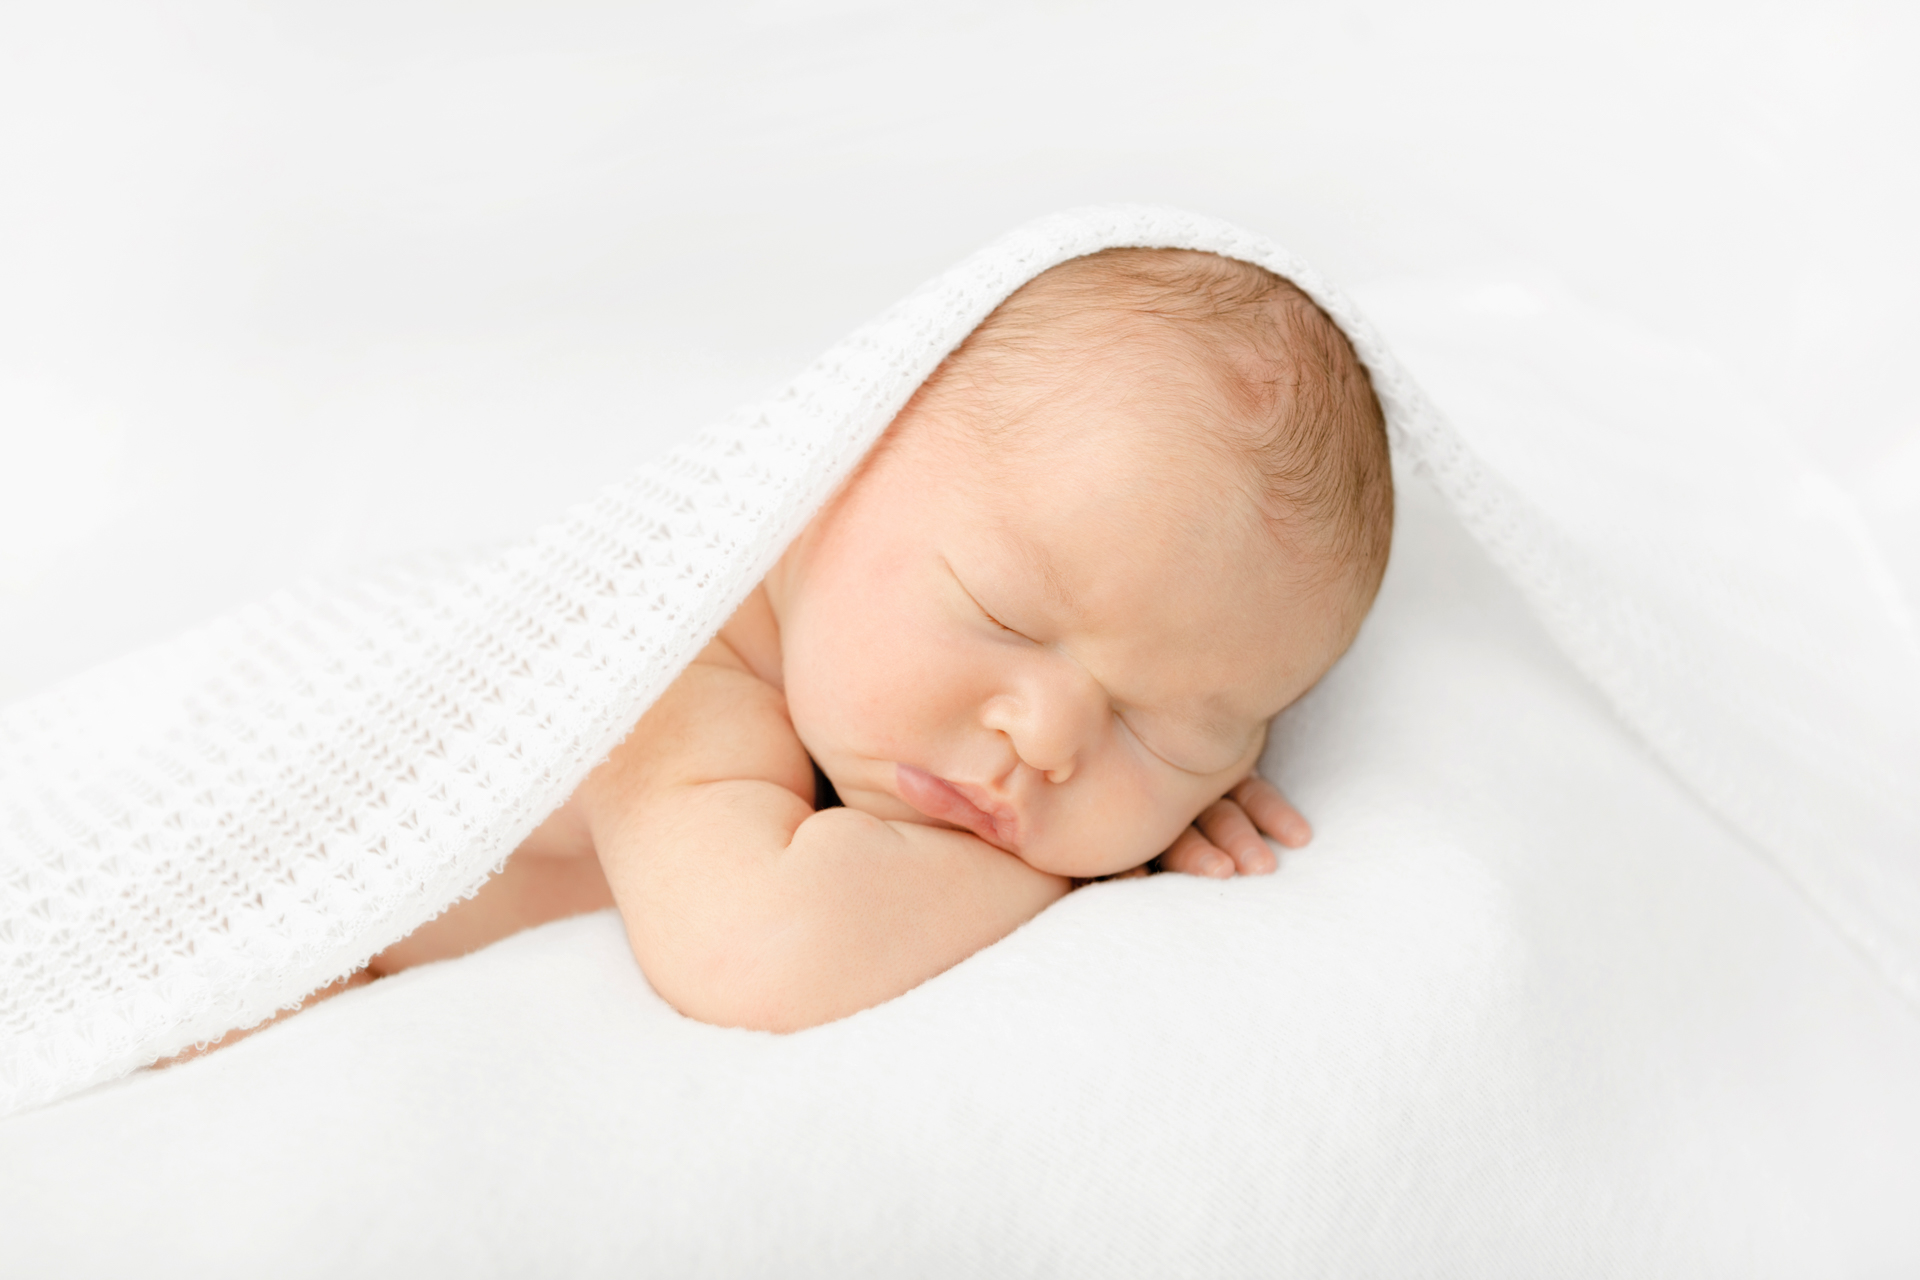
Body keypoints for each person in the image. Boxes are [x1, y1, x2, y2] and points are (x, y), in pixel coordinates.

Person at [179, 245, 1393, 1056]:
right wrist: (1085, 867)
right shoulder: (668, 662)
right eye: (1006, 618)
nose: (1054, 740)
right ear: (837, 475)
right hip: (221, 891)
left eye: (1170, 723)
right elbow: (756, 950)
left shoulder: (865, 685)